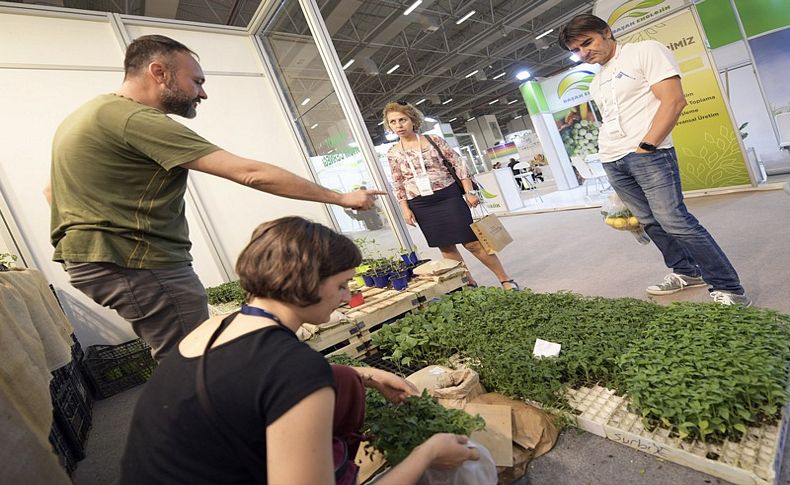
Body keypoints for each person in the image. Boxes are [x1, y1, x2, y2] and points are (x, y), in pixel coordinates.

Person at [47, 35, 386, 361]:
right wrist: (341, 198)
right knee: (195, 362)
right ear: (159, 73)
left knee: (189, 357)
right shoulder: (134, 118)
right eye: (196, 81)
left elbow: (51, 192)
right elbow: (249, 173)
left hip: (104, 260)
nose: (203, 93)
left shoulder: (87, 116)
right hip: (138, 261)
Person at [119, 217, 480, 484]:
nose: (346, 295)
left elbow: (248, 384)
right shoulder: (295, 368)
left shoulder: (215, 329)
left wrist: (365, 374)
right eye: (341, 285)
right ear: (308, 281)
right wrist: (427, 453)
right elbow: (285, 379)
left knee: (340, 376)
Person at [558, 15, 750, 306]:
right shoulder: (596, 81)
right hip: (612, 159)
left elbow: (674, 100)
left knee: (676, 221)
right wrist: (611, 159)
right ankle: (685, 272)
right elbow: (612, 120)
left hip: (649, 154)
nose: (584, 53)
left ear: (607, 33)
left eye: (587, 43)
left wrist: (647, 146)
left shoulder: (645, 51)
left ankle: (729, 288)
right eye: (576, 50)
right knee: (649, 222)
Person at [383, 101, 519, 290]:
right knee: (446, 247)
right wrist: (405, 208)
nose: (398, 125)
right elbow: (398, 182)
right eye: (393, 122)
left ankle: (505, 279)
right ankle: (468, 283)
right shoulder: (392, 153)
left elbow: (459, 164)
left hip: (448, 196)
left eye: (402, 120)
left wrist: (469, 191)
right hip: (421, 204)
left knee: (472, 242)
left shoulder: (433, 141)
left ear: (412, 120)